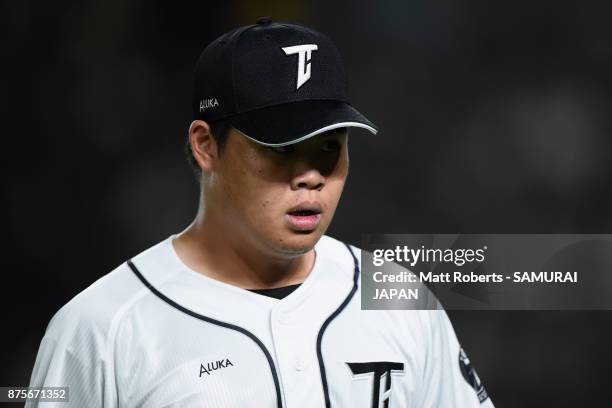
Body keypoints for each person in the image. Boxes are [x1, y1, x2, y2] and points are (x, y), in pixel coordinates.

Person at [27, 18, 494, 407]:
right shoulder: (101, 329)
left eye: (329, 147)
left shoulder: (400, 301)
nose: (311, 175)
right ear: (206, 145)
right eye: (283, 148)